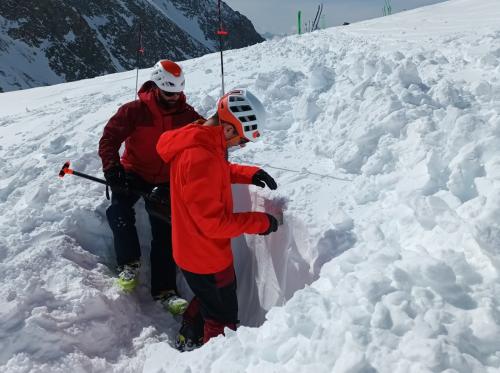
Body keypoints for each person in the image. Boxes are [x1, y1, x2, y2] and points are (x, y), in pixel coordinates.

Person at [156, 88, 279, 351]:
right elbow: (215, 223)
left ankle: (189, 331)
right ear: (228, 130)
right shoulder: (200, 156)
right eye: (243, 140)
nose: (241, 146)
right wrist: (262, 222)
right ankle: (212, 357)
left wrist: (249, 174)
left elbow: (216, 172)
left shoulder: (196, 138)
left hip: (193, 250)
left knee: (209, 297)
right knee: (223, 319)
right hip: (206, 257)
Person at [98, 59, 203, 315]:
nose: (173, 97)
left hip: (167, 180)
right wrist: (112, 169)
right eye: (168, 93)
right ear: (156, 86)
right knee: (119, 210)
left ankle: (165, 291)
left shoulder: (187, 115)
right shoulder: (134, 111)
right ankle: (129, 262)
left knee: (165, 231)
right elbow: (109, 138)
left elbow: (206, 137)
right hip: (134, 172)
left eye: (177, 93)